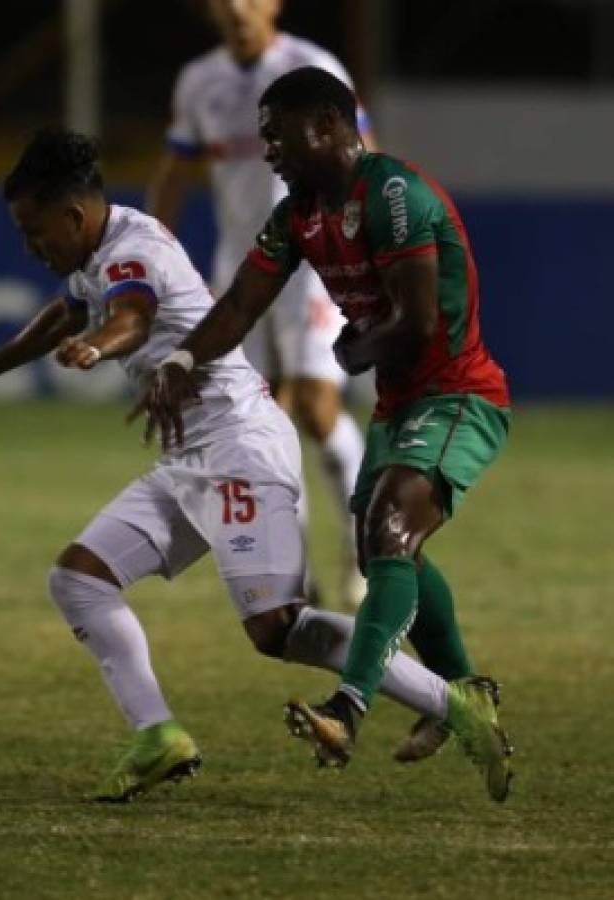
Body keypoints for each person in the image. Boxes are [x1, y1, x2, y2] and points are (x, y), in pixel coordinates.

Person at [0, 127, 505, 803]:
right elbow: (67, 310)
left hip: (239, 450)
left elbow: (132, 317)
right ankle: (157, 736)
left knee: (278, 629)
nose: (31, 247)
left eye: (34, 233)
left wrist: (98, 349)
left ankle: (453, 702)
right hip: (189, 458)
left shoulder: (131, 250)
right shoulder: (96, 250)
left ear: (73, 217)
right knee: (79, 579)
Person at [133, 68, 514, 801]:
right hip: (400, 406)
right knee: (389, 542)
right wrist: (182, 358)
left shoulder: (393, 195)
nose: (267, 148)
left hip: (458, 396)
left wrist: (348, 353)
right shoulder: (297, 213)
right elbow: (243, 302)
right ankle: (463, 693)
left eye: (276, 133)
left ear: (330, 126)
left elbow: (416, 323)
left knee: (389, 529)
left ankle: (349, 707)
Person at [147, 0, 372, 608]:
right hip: (243, 269)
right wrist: (150, 257)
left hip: (315, 266)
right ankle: (294, 572)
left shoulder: (312, 65)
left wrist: (363, 241)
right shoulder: (200, 81)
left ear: (274, 3)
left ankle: (362, 544)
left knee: (317, 408)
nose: (237, 10)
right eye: (225, 1)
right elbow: (175, 171)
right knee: (257, 422)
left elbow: (364, 158)